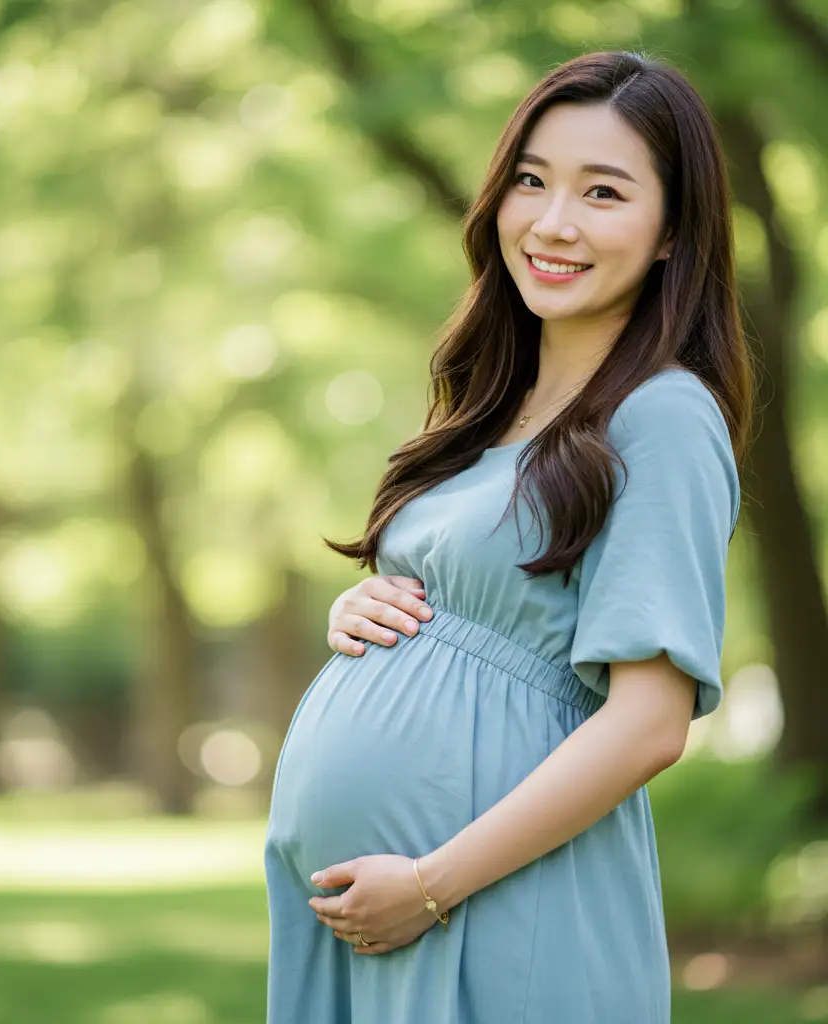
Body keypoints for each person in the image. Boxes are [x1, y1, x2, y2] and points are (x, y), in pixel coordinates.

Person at [263, 50, 753, 1024]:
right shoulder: (493, 407)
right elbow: (490, 606)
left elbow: (650, 721)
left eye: (602, 192)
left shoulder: (662, 417)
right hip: (387, 915)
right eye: (531, 179)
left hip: (492, 908)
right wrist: (370, 612)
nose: (552, 220)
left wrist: (434, 881)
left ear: (669, 235)